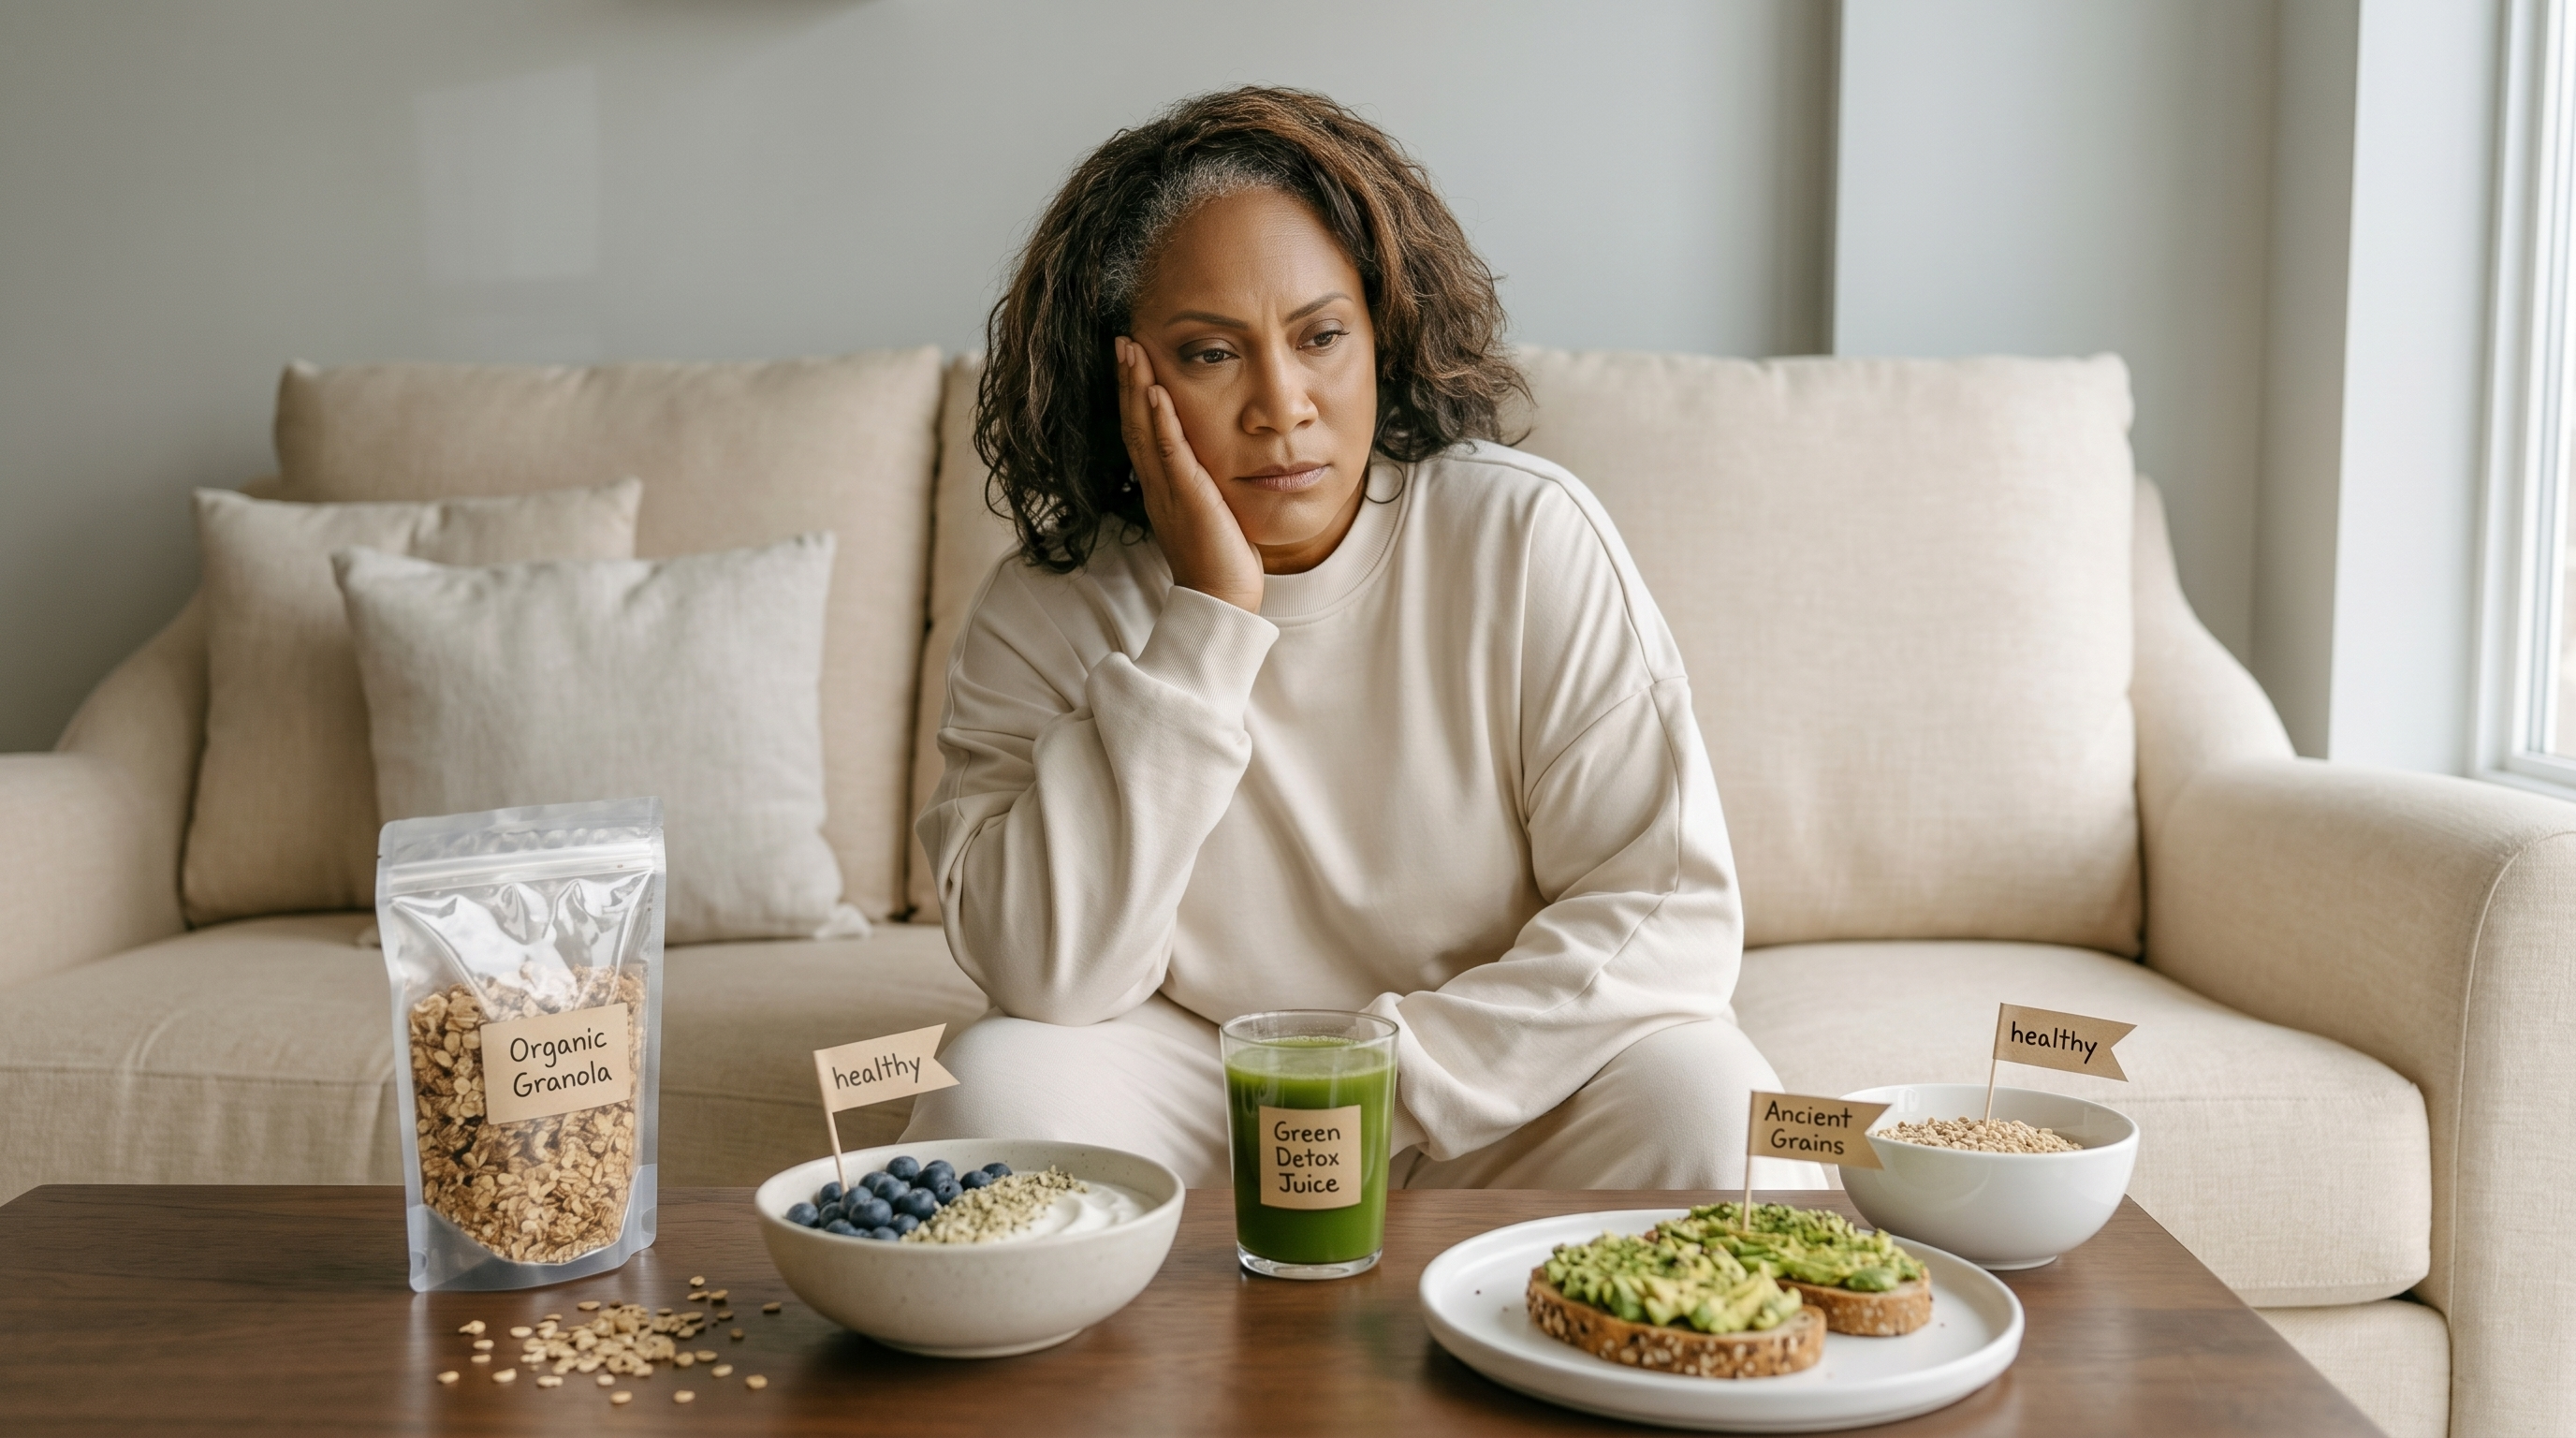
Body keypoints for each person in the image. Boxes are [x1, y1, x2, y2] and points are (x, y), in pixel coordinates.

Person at [904, 86, 1819, 1192]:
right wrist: (1205, 619)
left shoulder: (1523, 534)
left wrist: (1376, 1081)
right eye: (1208, 354)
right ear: (1124, 372)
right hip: (1201, 1081)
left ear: (1380, 336)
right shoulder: (1044, 607)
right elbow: (1046, 974)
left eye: (1320, 336)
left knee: (1713, 1104)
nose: (1280, 404)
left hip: (1494, 1082)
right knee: (992, 1087)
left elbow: (1663, 911)